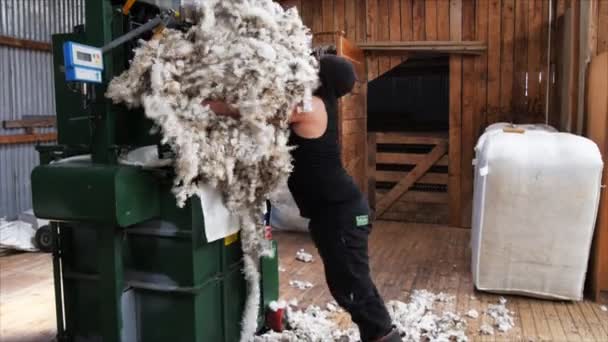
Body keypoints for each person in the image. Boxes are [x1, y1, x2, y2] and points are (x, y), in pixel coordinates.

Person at [205, 53, 400, 342]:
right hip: (331, 211)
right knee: (345, 282)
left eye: (315, 68)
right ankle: (379, 334)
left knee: (352, 284)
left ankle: (384, 336)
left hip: (340, 211)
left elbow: (257, 111)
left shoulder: (311, 106)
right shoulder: (320, 104)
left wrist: (209, 106)